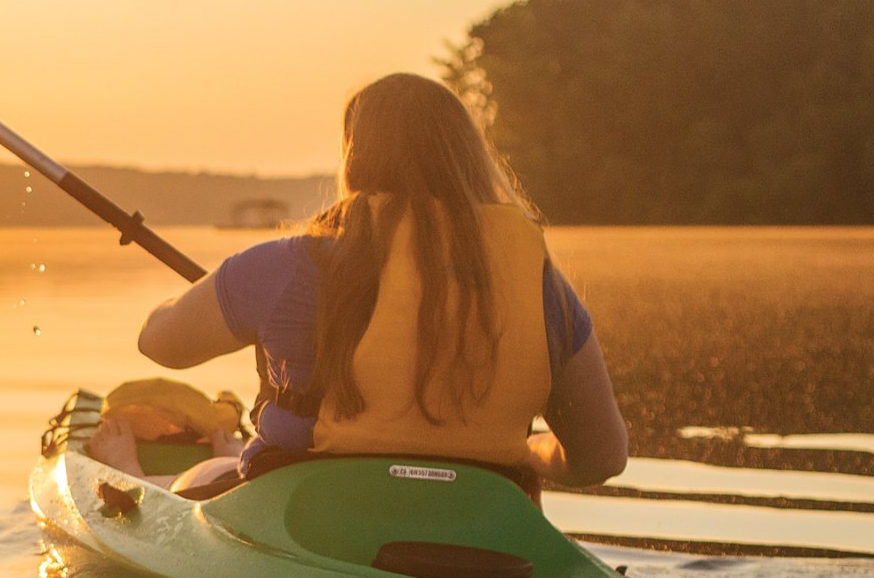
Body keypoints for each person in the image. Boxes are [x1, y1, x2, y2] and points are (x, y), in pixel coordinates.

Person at [89, 72, 628, 497]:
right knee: (227, 458)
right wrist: (527, 451)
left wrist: (228, 289)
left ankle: (128, 470)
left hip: (306, 513)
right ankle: (231, 449)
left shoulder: (289, 266)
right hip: (478, 522)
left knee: (204, 476)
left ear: (354, 157)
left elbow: (158, 343)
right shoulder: (541, 288)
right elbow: (601, 458)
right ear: (468, 160)